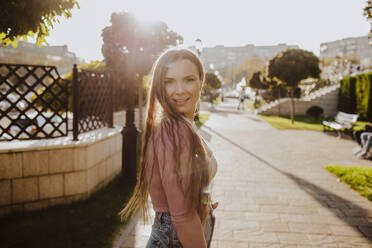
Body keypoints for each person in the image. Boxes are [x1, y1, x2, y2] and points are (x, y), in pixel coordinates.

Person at [119, 48, 218, 248]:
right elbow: (182, 216)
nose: (179, 90)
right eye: (169, 81)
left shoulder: (182, 125)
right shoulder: (173, 130)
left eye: (188, 79)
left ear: (201, 81)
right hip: (177, 237)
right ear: (159, 86)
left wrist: (201, 202)